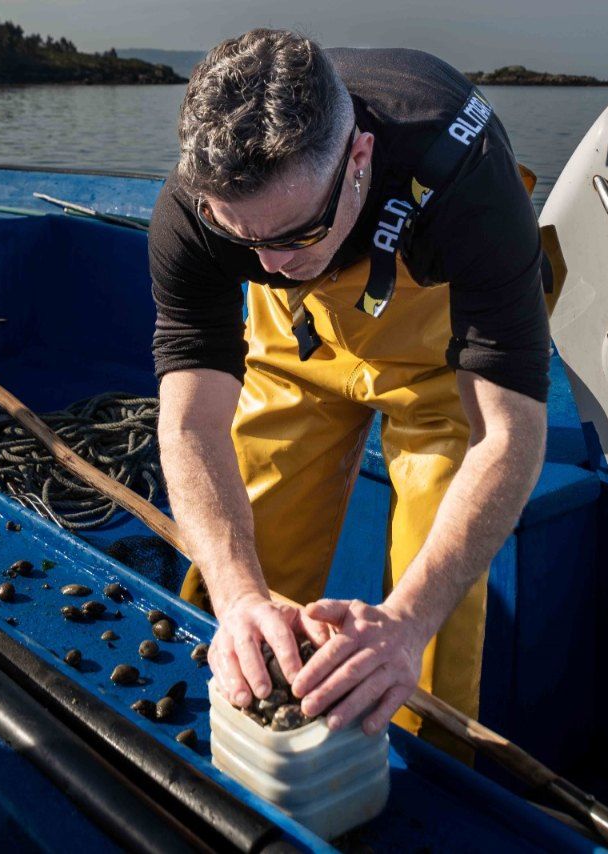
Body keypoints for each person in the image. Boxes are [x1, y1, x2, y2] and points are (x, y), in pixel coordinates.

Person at [149, 28, 550, 755]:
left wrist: (406, 623)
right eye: (243, 240)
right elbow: (190, 425)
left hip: (435, 351)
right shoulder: (201, 210)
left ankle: (423, 764)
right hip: (296, 342)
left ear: (359, 157)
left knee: (433, 618)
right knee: (238, 570)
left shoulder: (469, 178)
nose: (269, 261)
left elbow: (508, 432)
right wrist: (241, 597)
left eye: (295, 234)